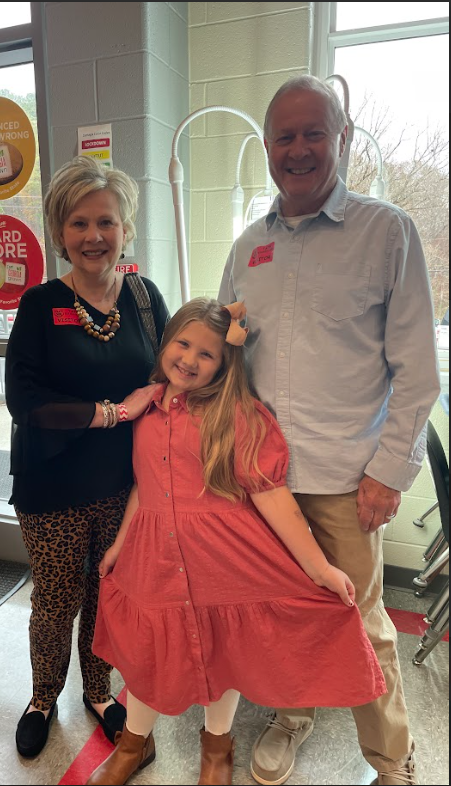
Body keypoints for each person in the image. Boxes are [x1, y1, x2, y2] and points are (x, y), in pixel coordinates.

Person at [219, 75, 441, 786]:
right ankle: (291, 717)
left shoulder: (387, 232)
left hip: (348, 481)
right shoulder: (249, 244)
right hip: (263, 481)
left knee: (363, 622)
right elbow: (225, 355)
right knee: (283, 615)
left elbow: (417, 373)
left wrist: (387, 473)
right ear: (266, 148)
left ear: (342, 139)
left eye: (315, 132)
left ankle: (393, 759)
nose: (299, 148)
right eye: (284, 136)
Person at [84, 298, 386, 786]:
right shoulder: (145, 405)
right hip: (153, 556)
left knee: (220, 654)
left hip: (222, 559)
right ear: (166, 344)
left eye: (207, 355)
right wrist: (120, 544)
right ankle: (134, 745)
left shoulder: (238, 416)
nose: (190, 359)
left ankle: (217, 749)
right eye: (182, 344)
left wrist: (318, 569)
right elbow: (144, 485)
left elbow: (272, 497)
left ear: (225, 365)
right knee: (149, 656)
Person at [5, 156, 169, 758]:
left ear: (125, 229)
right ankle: (42, 697)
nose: (94, 236)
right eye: (78, 223)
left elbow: (171, 372)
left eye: (106, 222)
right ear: (59, 232)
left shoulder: (147, 299)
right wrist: (112, 412)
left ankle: (98, 692)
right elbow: (24, 400)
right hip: (51, 484)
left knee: (107, 596)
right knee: (55, 601)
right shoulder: (39, 304)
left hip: (123, 486)